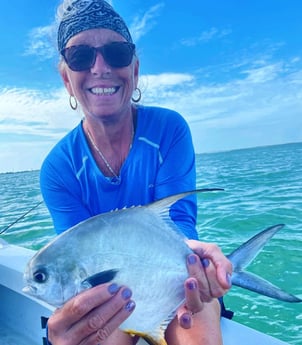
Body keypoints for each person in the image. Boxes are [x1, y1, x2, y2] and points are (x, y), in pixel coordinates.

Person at [40, 0, 233, 344]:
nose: (100, 67)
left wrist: (198, 260)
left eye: (116, 53)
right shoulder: (58, 168)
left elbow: (178, 223)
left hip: (176, 278)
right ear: (66, 78)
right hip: (110, 294)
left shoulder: (169, 129)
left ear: (135, 68)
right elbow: (75, 254)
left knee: (197, 331)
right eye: (81, 56)